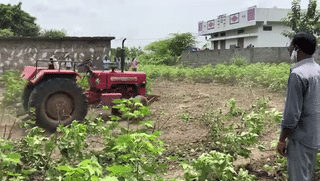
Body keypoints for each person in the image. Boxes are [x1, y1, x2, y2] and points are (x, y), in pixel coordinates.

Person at [277, 32, 319, 181]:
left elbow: (291, 115)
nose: (288, 50)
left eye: (290, 46)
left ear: (297, 49)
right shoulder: (317, 70)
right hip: (314, 135)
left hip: (300, 138)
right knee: (307, 175)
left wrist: (282, 140)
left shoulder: (298, 74)